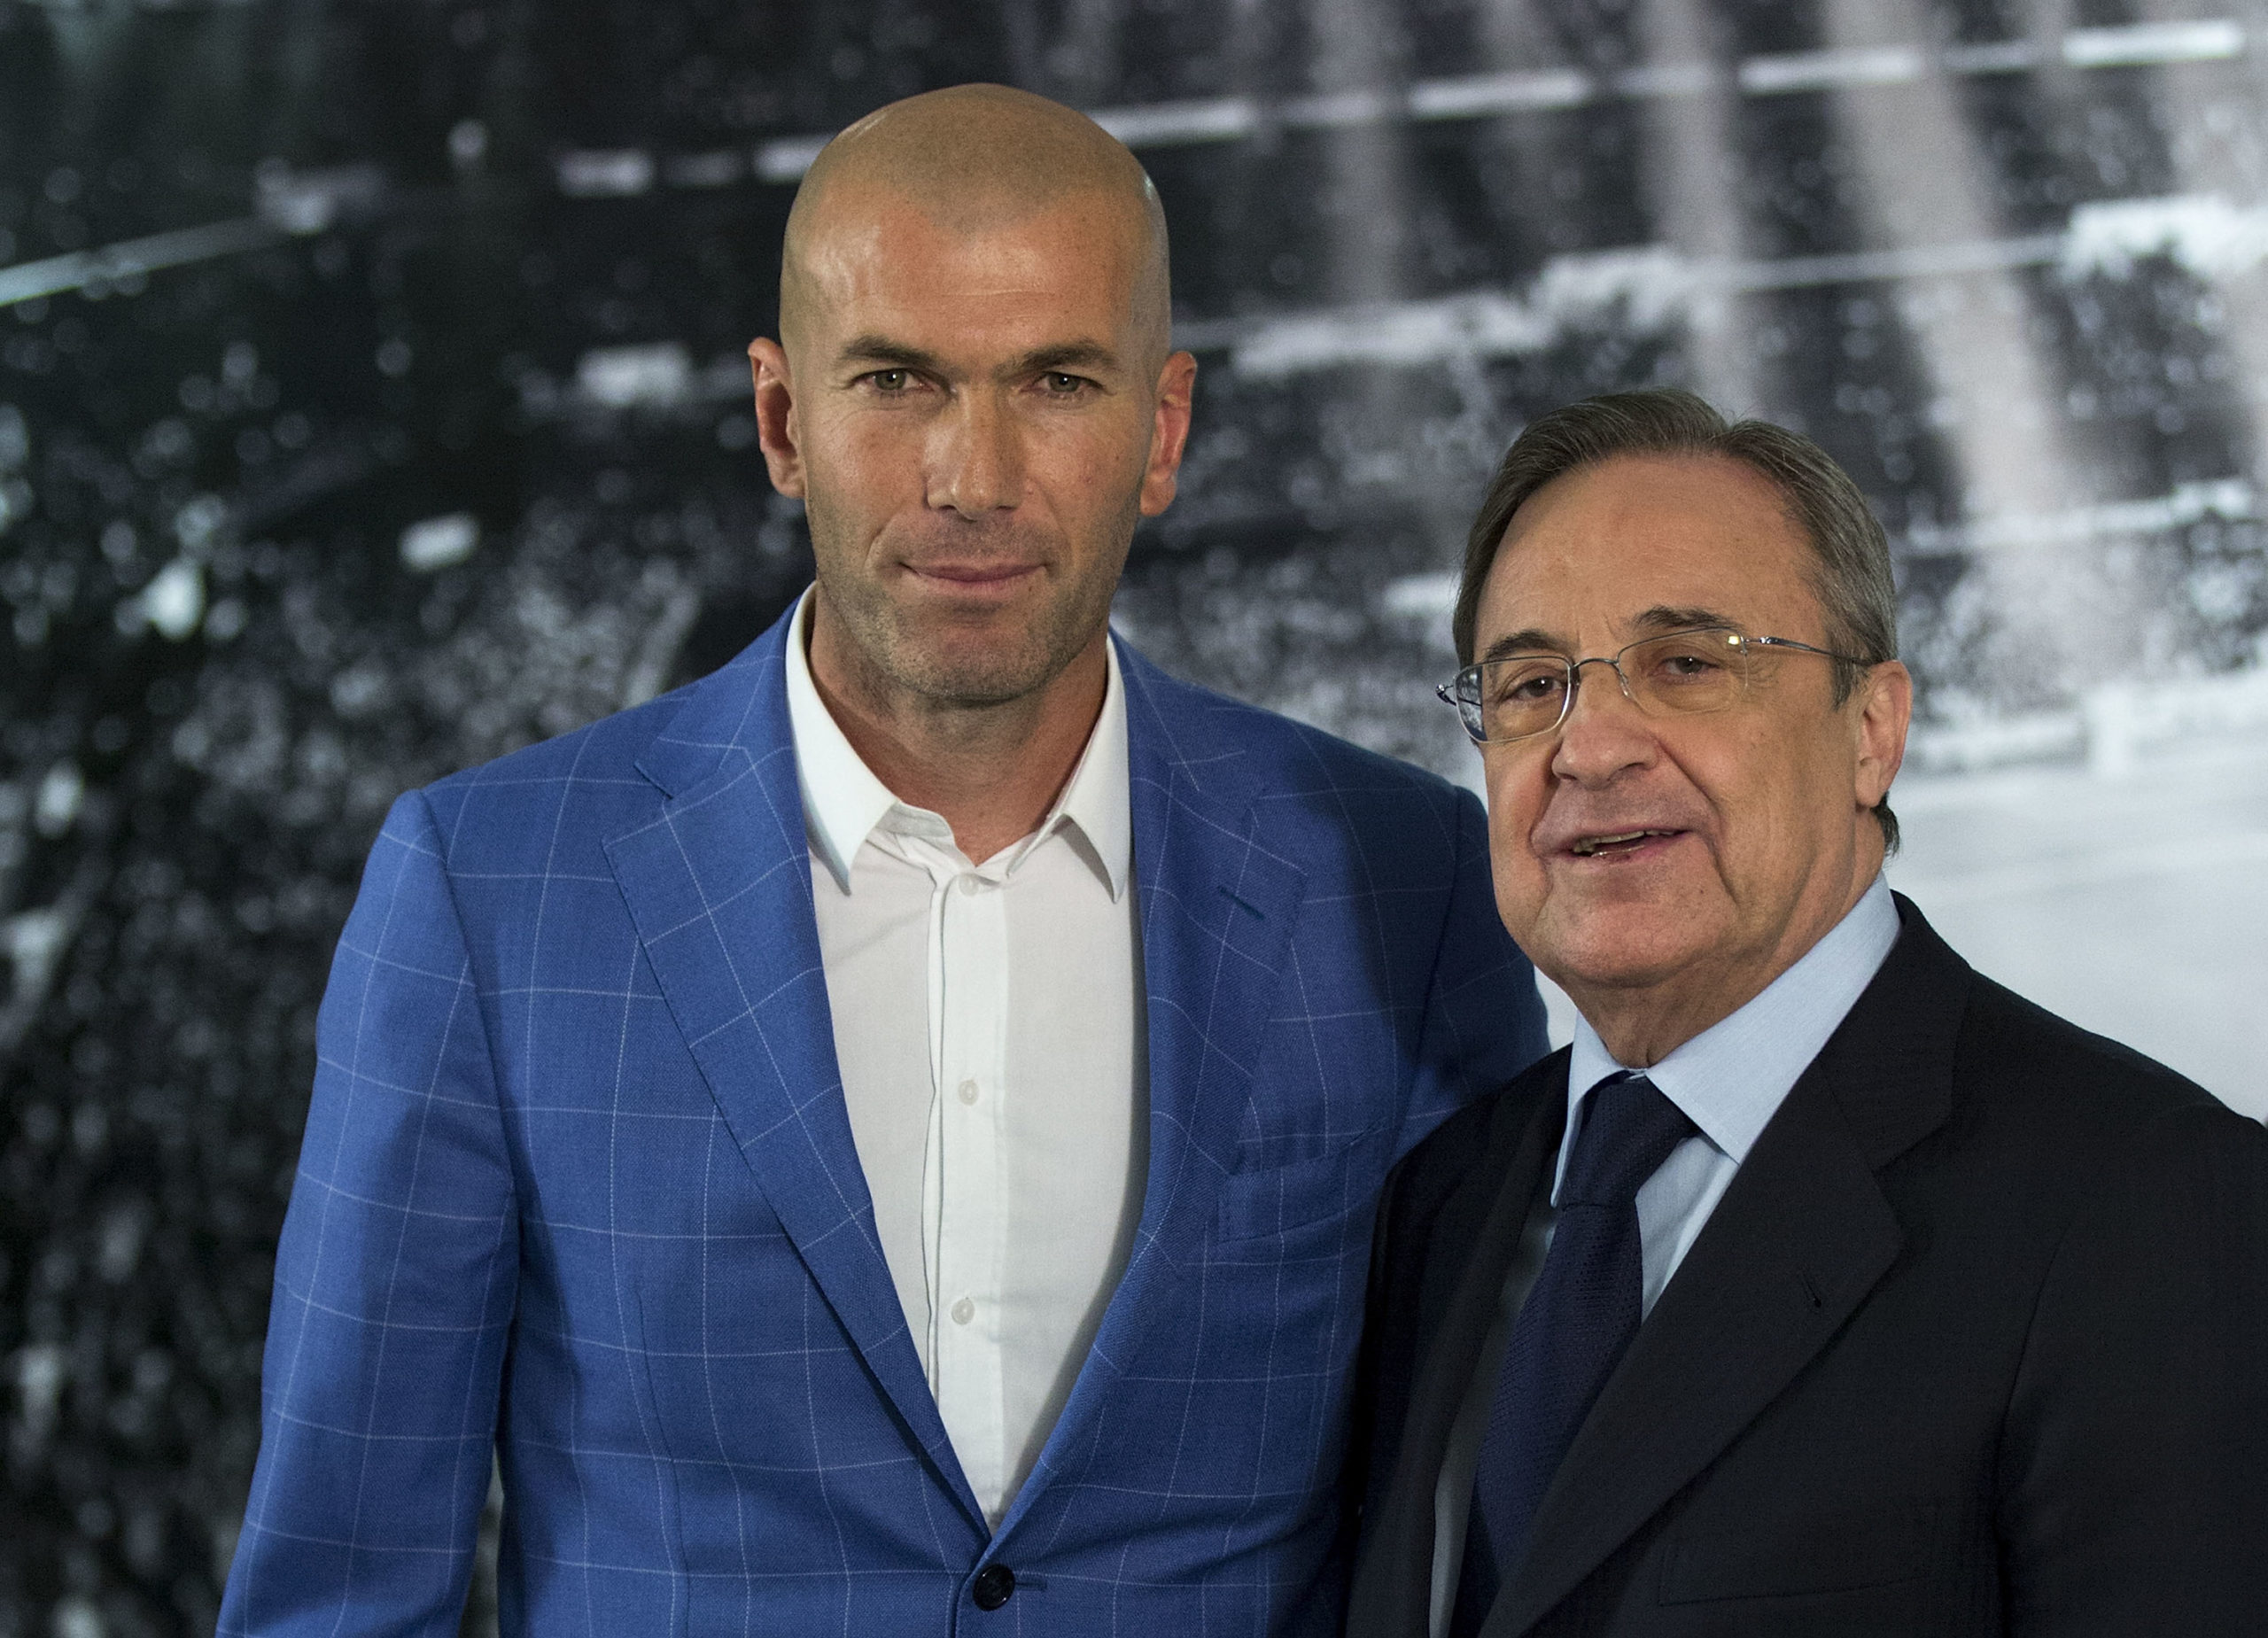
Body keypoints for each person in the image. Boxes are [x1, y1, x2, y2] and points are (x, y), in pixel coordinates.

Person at [217, 85, 1547, 1636]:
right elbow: (340, 1590)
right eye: (899, 378)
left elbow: (1479, 1525)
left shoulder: (1401, 875)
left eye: (1055, 380)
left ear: (1163, 427)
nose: (972, 474)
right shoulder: (487, 891)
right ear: (783, 421)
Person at [1347, 388, 2268, 1638]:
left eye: (1684, 663)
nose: (1589, 744)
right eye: (1530, 683)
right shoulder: (1445, 1198)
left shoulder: (2151, 1206)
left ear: (1872, 730)